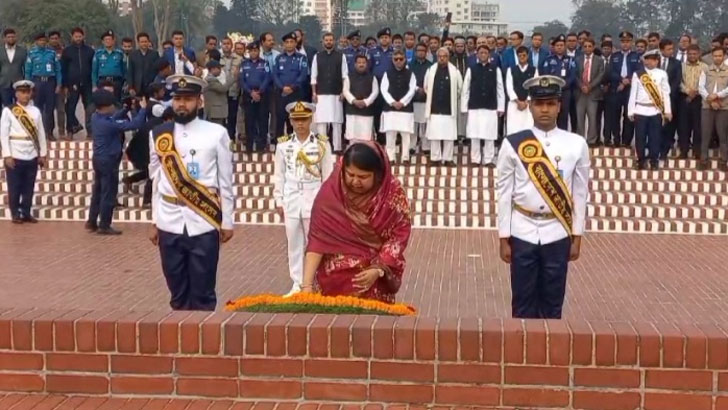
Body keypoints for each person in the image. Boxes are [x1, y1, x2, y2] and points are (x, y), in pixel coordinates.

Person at [497, 75, 590, 319]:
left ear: (559, 106)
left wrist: (577, 234)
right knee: (522, 302)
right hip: (522, 229)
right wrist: (503, 237)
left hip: (557, 231)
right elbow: (504, 192)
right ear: (530, 106)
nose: (545, 110)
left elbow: (580, 194)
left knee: (553, 302)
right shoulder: (513, 143)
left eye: (550, 103)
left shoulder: (577, 144)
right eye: (539, 104)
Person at [148, 74, 235, 311]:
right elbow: (156, 181)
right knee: (176, 290)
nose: (181, 104)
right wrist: (155, 220)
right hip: (169, 220)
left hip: (203, 220)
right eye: (177, 99)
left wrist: (227, 221)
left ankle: (203, 343)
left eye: (187, 99)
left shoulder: (216, 133)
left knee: (203, 292)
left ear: (200, 102)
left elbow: (225, 182)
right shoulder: (158, 135)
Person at [300, 142, 412, 302]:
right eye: (350, 175)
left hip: (371, 280)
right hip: (332, 284)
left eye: (363, 177)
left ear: (378, 174)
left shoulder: (392, 195)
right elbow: (317, 242)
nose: (355, 182)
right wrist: (307, 286)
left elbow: (398, 237)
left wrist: (378, 269)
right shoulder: (330, 194)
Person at [273, 101, 335, 297]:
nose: (300, 124)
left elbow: (328, 175)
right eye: (296, 120)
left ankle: (315, 282)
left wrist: (326, 203)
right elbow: (279, 174)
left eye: (304, 120)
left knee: (314, 242)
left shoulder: (321, 143)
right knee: (294, 242)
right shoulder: (283, 144)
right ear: (291, 121)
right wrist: (278, 200)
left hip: (314, 195)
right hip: (291, 196)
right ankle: (297, 283)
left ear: (311, 120)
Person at [86, 89, 147, 235]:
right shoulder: (108, 125)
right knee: (109, 192)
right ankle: (104, 225)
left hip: (99, 159)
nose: (114, 107)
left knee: (98, 190)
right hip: (109, 161)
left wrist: (125, 109)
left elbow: (114, 118)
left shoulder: (96, 117)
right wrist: (144, 109)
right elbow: (135, 124)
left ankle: (92, 221)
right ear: (106, 107)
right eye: (112, 105)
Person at [0, 80, 47, 224]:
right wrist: (7, 154)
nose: (25, 95)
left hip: (31, 152)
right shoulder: (9, 110)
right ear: (16, 94)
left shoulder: (36, 111)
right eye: (22, 92)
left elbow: (40, 134)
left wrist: (42, 153)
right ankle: (15, 213)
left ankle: (26, 211)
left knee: (29, 185)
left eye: (28, 92)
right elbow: (3, 134)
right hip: (15, 152)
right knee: (15, 185)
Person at [123, 82, 167, 207]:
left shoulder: (154, 105)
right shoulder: (157, 109)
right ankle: (147, 200)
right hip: (149, 141)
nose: (163, 92)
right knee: (152, 170)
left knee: (151, 169)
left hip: (146, 139)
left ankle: (130, 180)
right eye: (161, 90)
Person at [627, 49, 672, 171]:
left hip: (655, 110)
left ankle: (654, 161)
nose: (650, 62)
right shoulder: (638, 74)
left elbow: (666, 93)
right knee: (640, 137)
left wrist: (668, 110)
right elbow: (633, 93)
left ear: (657, 61)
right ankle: (640, 160)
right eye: (647, 60)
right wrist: (630, 110)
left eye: (653, 60)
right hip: (640, 109)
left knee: (655, 137)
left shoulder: (662, 74)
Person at [462, 45, 505, 167]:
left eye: (485, 53)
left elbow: (500, 88)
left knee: (490, 134)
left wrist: (501, 107)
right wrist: (464, 107)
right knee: (474, 134)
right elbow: (466, 89)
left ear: (489, 55)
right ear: (477, 55)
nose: (483, 55)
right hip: (474, 105)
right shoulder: (472, 68)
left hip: (491, 106)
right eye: (481, 53)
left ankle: (489, 160)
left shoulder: (495, 68)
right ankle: (475, 159)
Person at [424, 47, 463, 166]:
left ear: (448, 57)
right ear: (437, 57)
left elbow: (459, 88)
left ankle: (448, 158)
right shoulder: (431, 70)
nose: (442, 58)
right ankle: (435, 158)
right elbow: (426, 87)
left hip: (449, 108)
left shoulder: (455, 71)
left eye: (444, 56)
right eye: (440, 56)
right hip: (434, 108)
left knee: (449, 135)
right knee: (434, 135)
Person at [311, 32, 348, 153]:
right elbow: (313, 76)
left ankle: (337, 147)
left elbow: (345, 76)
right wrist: (314, 93)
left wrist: (343, 91)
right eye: (326, 40)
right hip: (321, 94)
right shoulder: (317, 56)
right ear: (323, 42)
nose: (328, 42)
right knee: (321, 122)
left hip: (336, 94)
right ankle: (322, 147)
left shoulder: (340, 56)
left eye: (331, 40)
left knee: (336, 122)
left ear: (334, 41)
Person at [380, 50, 416, 164]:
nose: (398, 61)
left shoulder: (410, 73)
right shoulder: (387, 73)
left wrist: (402, 102)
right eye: (396, 59)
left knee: (406, 135)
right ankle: (391, 158)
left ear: (405, 59)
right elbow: (384, 90)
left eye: (401, 59)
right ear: (393, 60)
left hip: (405, 109)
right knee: (390, 134)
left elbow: (412, 90)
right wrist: (392, 102)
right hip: (390, 109)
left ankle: (405, 157)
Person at [25, 32, 61, 141]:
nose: (42, 42)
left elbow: (58, 69)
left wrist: (59, 83)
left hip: (50, 82)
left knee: (50, 109)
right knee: (37, 109)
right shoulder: (32, 54)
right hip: (37, 82)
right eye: (40, 40)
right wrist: (29, 86)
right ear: (36, 42)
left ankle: (49, 132)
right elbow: (28, 71)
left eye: (44, 40)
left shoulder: (51, 53)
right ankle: (37, 133)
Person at [272, 32, 308, 139]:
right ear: (283, 44)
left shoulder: (301, 58)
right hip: (281, 93)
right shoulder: (279, 58)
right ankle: (279, 144)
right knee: (280, 120)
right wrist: (283, 87)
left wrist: (292, 88)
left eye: (291, 42)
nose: (289, 44)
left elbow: (303, 75)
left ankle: (294, 143)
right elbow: (275, 75)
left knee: (294, 121)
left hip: (296, 94)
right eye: (287, 42)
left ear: (295, 43)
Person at [697, 47, 728, 171]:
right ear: (712, 56)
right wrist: (710, 99)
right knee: (705, 134)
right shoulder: (706, 70)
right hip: (707, 106)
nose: (717, 58)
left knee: (723, 135)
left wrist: (718, 96)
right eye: (715, 56)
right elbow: (701, 87)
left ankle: (723, 160)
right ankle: (703, 160)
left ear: (724, 57)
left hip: (723, 107)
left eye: (720, 56)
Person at [608, 31, 641, 147]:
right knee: (614, 116)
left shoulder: (636, 56)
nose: (625, 44)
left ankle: (626, 141)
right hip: (616, 88)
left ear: (631, 42)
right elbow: (611, 72)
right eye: (623, 42)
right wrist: (621, 80)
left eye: (627, 42)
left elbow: (638, 71)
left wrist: (628, 80)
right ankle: (616, 140)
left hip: (630, 90)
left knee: (628, 116)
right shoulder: (615, 56)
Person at [61, 27, 94, 137]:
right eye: (76, 36)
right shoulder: (67, 51)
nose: (78, 38)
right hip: (72, 84)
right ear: (72, 37)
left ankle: (90, 132)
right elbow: (63, 69)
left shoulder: (90, 51)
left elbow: (94, 68)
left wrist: (94, 84)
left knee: (89, 108)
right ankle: (70, 130)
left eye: (80, 36)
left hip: (87, 84)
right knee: (69, 107)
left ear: (83, 36)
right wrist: (65, 85)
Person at [240, 41, 271, 152]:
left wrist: (259, 92)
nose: (254, 52)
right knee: (249, 121)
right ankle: (249, 146)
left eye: (256, 50)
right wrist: (251, 93)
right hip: (249, 95)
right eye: (251, 51)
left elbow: (267, 78)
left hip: (262, 95)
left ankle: (261, 146)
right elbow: (242, 81)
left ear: (258, 51)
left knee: (262, 120)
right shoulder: (244, 64)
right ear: (249, 52)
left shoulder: (264, 63)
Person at [574, 38, 605, 145]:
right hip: (580, 93)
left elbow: (600, 75)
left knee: (592, 118)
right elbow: (575, 75)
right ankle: (580, 140)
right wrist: (581, 86)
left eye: (589, 46)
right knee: (580, 118)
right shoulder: (577, 59)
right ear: (582, 48)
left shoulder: (599, 60)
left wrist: (590, 86)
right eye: (585, 46)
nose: (587, 48)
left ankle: (591, 140)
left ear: (593, 47)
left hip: (593, 93)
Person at [678, 44, 705, 159]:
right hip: (684, 98)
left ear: (699, 54)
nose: (692, 56)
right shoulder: (681, 66)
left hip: (699, 99)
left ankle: (697, 151)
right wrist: (688, 91)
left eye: (694, 54)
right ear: (686, 54)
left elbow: (707, 83)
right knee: (684, 126)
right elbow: (678, 81)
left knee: (698, 126)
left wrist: (695, 92)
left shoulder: (705, 67)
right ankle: (684, 151)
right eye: (690, 54)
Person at [342, 55, 379, 142]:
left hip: (367, 110)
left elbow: (375, 92)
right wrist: (354, 101)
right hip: (352, 110)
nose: (361, 65)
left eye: (363, 63)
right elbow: (345, 91)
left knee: (365, 137)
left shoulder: (372, 77)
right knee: (352, 137)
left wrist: (366, 102)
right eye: (359, 63)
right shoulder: (348, 76)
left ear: (367, 64)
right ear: (355, 64)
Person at [659, 39, 683, 159]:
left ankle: (664, 151)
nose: (671, 51)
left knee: (668, 127)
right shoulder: (654, 61)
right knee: (656, 126)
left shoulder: (677, 63)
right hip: (655, 100)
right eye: (668, 49)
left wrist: (666, 95)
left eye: (672, 49)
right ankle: (653, 149)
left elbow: (676, 81)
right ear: (661, 50)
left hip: (670, 99)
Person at [506, 46, 537, 135]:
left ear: (527, 56)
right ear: (517, 56)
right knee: (513, 129)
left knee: (528, 128)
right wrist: (518, 101)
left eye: (524, 55)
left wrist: (527, 101)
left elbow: (534, 86)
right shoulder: (511, 70)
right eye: (520, 55)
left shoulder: (534, 70)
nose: (522, 57)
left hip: (528, 104)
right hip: (514, 104)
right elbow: (509, 87)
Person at [410, 43, 433, 154]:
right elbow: (408, 80)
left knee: (425, 124)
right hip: (413, 98)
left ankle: (426, 146)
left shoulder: (431, 66)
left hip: (426, 97)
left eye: (423, 50)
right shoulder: (410, 65)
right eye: (419, 50)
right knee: (413, 124)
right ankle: (412, 146)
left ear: (426, 52)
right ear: (415, 52)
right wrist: (416, 88)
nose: (421, 52)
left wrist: (425, 90)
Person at [220, 36, 244, 142]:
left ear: (231, 45)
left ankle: (231, 138)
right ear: (221, 45)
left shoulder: (239, 59)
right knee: (221, 116)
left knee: (232, 116)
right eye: (224, 43)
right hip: (220, 92)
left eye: (228, 43)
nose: (226, 45)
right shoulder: (217, 58)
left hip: (234, 91)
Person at [92, 30, 125, 100]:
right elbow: (94, 71)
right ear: (103, 42)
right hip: (102, 82)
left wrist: (124, 83)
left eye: (110, 39)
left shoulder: (119, 54)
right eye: (106, 40)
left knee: (117, 103)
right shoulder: (98, 54)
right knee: (103, 103)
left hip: (116, 82)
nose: (108, 41)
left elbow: (124, 70)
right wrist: (94, 85)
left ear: (113, 41)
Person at [127, 32, 160, 98]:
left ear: (148, 42)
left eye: (145, 41)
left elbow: (157, 70)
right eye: (142, 42)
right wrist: (130, 87)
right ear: (138, 43)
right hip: (137, 87)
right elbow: (130, 72)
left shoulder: (154, 54)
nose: (144, 43)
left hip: (151, 86)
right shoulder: (132, 55)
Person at [0, 29, 28, 108]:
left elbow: (26, 67)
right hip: (4, 83)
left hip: (19, 83)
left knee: (20, 106)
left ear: (16, 38)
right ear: (4, 39)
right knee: (7, 107)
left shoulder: (22, 51)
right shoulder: (0, 51)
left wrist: (26, 81)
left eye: (13, 37)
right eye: (8, 37)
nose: (11, 39)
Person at [49, 31, 66, 139]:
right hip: (48, 83)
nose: (55, 40)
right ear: (49, 40)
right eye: (52, 38)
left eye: (56, 38)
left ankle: (61, 131)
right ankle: (49, 132)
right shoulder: (45, 51)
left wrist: (65, 85)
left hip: (61, 84)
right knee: (48, 109)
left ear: (59, 39)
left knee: (61, 109)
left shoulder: (64, 51)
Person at [203, 60, 229, 126]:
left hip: (216, 112)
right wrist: (233, 78)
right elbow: (223, 89)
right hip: (215, 112)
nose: (221, 70)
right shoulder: (210, 80)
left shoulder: (213, 79)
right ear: (212, 69)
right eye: (219, 68)